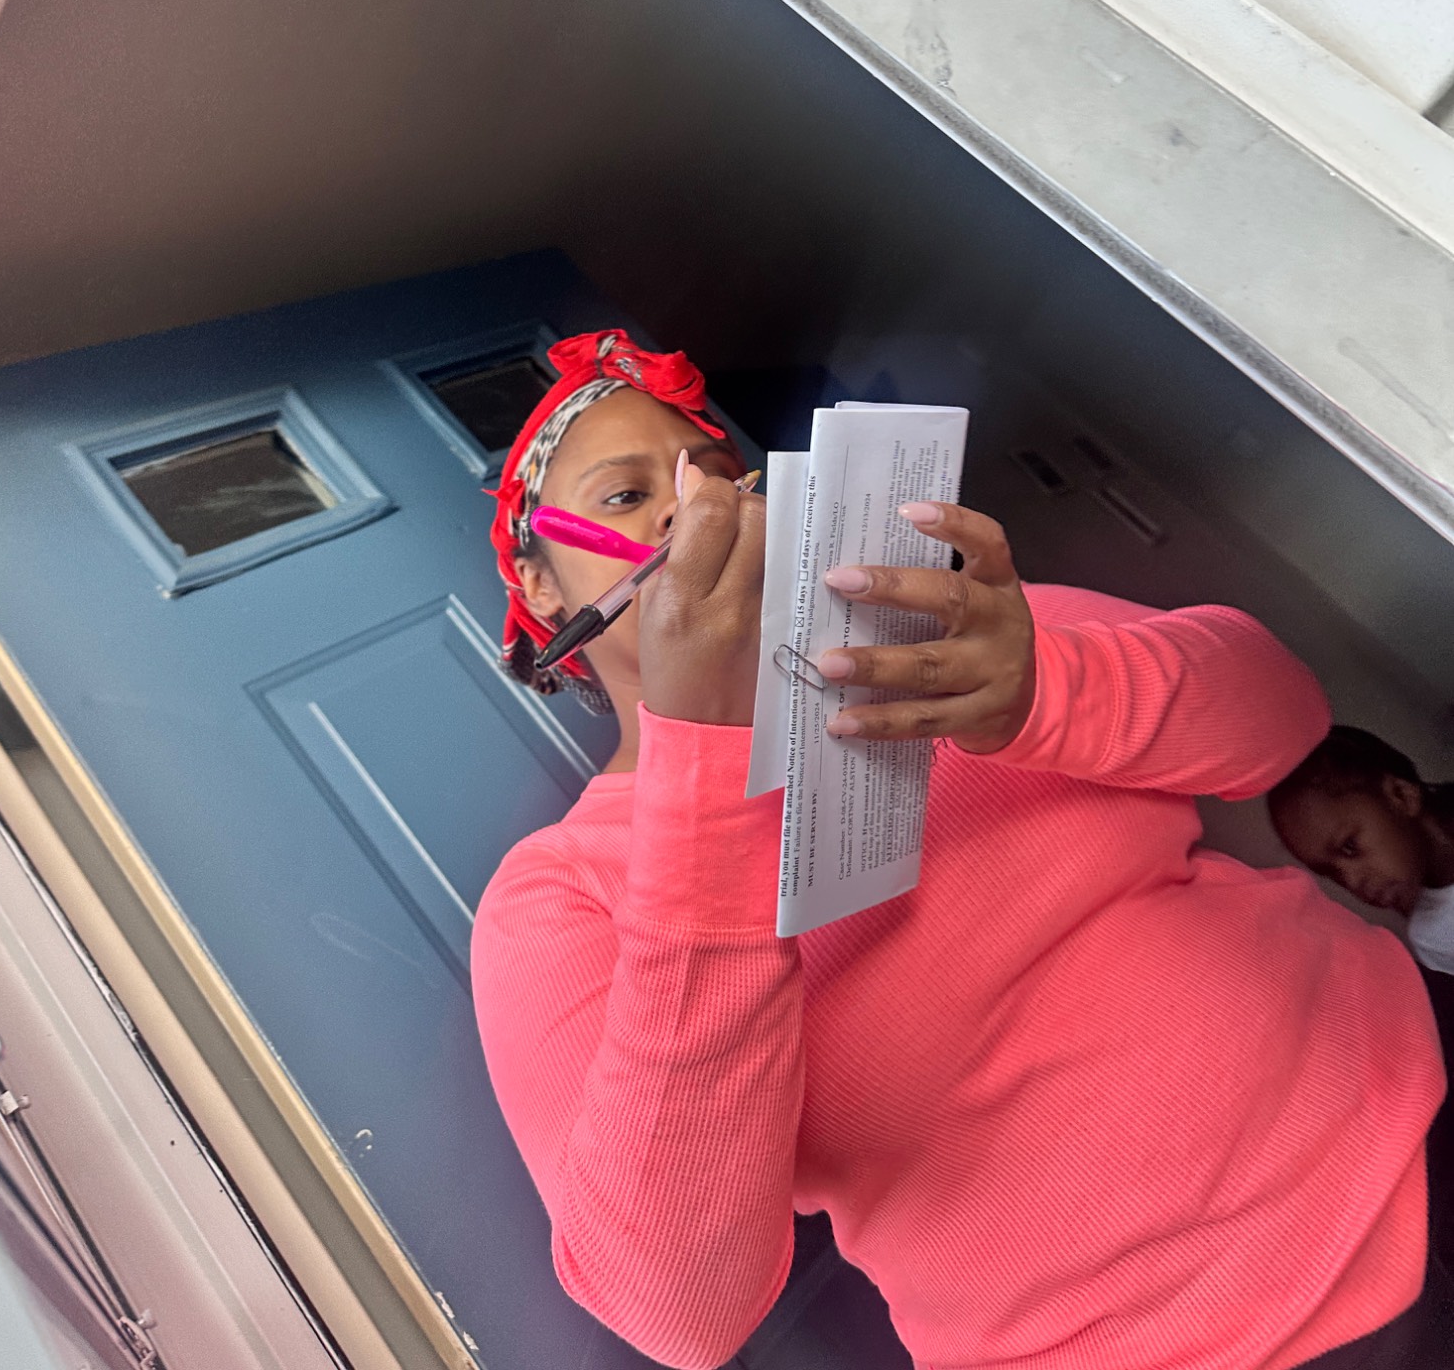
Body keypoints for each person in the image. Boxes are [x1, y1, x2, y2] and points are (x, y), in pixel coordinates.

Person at [471, 330, 1450, 1369]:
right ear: (541, 585)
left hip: (1422, 1100)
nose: (698, 508)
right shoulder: (557, 895)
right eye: (628, 495)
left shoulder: (953, 649)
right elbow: (679, 1312)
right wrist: (705, 776)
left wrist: (1047, 692)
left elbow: (1286, 716)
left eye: (717, 474)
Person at [1268, 727, 1454, 976]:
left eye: (1350, 847)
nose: (1353, 881)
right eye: (1333, 873)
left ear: (1401, 796)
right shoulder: (1430, 937)